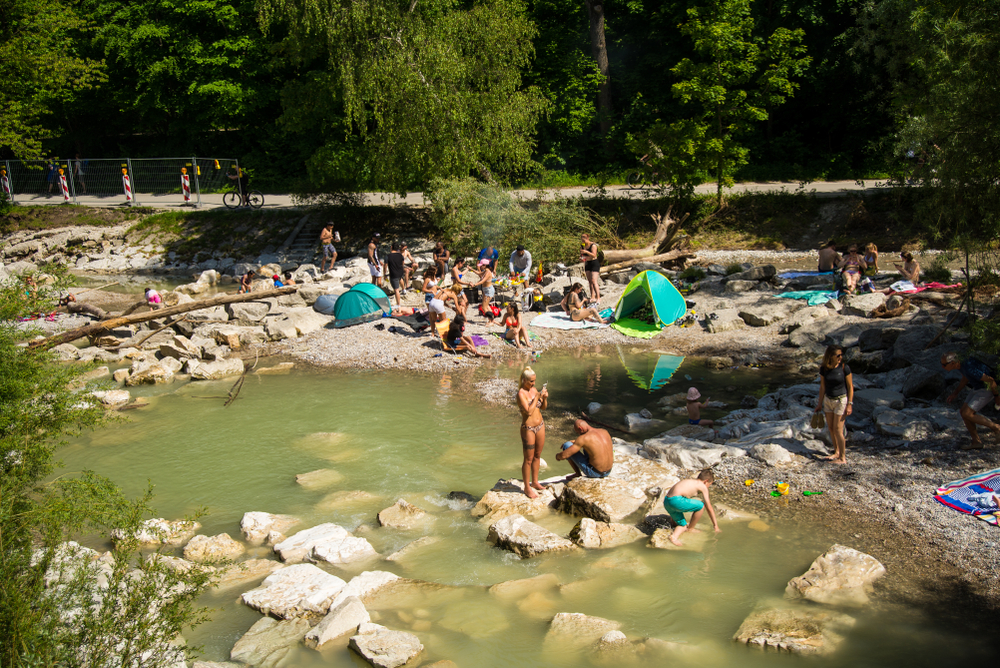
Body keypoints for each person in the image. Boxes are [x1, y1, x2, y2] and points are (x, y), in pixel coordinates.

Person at [941, 352, 1000, 450]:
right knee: (962, 412)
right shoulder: (961, 364)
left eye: (944, 365)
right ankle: (976, 441)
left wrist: (997, 397)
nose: (942, 367)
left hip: (986, 389)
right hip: (977, 387)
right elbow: (965, 378)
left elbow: (991, 380)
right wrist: (955, 393)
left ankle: (996, 427)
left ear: (952, 363)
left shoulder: (969, 367)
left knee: (967, 413)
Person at [814, 345, 853, 464]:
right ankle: (836, 452)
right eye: (838, 355)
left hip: (841, 400)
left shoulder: (844, 368)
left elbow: (850, 387)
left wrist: (850, 404)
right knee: (831, 428)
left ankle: (842, 458)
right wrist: (819, 403)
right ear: (830, 356)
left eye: (841, 355)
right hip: (828, 400)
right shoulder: (824, 369)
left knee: (838, 429)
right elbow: (822, 387)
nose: (840, 357)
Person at [663, 469, 721, 546]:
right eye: (709, 484)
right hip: (676, 501)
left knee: (682, 525)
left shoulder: (689, 481)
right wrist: (715, 525)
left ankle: (674, 534)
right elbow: (709, 506)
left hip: (667, 501)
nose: (708, 487)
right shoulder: (702, 486)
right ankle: (690, 528)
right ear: (706, 481)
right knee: (700, 505)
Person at [517, 367, 548, 499]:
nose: (533, 384)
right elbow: (529, 411)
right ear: (524, 380)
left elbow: (543, 407)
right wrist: (537, 397)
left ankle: (535, 482)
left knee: (537, 455)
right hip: (528, 429)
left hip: (540, 425)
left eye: (534, 381)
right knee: (528, 459)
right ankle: (526, 487)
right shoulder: (521, 394)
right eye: (531, 381)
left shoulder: (534, 390)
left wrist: (544, 398)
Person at [580, 233, 602, 304]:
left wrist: (586, 251)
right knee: (590, 281)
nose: (583, 241)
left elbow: (594, 255)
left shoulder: (593, 245)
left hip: (594, 263)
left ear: (587, 238)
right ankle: (592, 297)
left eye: (584, 239)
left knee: (593, 280)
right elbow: (582, 255)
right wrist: (581, 258)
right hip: (587, 263)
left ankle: (598, 298)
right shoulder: (582, 246)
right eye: (582, 239)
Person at [386, 242, 407, 306]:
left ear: (391, 247)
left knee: (396, 290)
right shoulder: (400, 255)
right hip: (400, 272)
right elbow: (403, 263)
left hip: (393, 274)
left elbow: (385, 265)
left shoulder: (388, 256)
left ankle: (398, 304)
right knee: (400, 279)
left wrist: (384, 273)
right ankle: (404, 290)